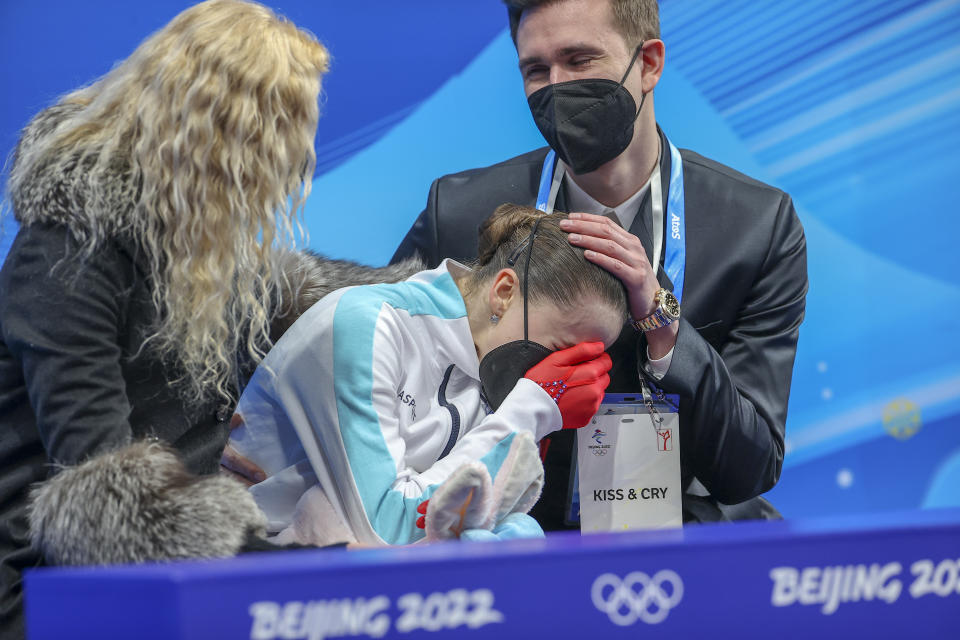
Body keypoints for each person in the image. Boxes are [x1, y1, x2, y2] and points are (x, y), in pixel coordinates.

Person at [392, 0, 808, 528]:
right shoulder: (458, 213)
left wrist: (665, 328)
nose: (557, 86)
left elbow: (749, 468)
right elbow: (375, 368)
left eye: (580, 59)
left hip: (683, 534)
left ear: (649, 64)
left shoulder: (755, 227)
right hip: (509, 534)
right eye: (535, 70)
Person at [0, 2, 344, 637]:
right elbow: (106, 491)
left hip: (160, 571)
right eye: (283, 133)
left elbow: (305, 292)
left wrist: (460, 290)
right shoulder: (68, 248)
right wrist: (286, 572)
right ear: (225, 130)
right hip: (36, 579)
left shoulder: (193, 245)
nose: (293, 160)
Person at [227, 204, 625, 547]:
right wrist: (534, 405)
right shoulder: (365, 325)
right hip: (257, 575)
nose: (565, 375)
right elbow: (386, 532)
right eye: (562, 352)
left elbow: (463, 523)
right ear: (503, 292)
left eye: (583, 364)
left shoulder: (490, 362)